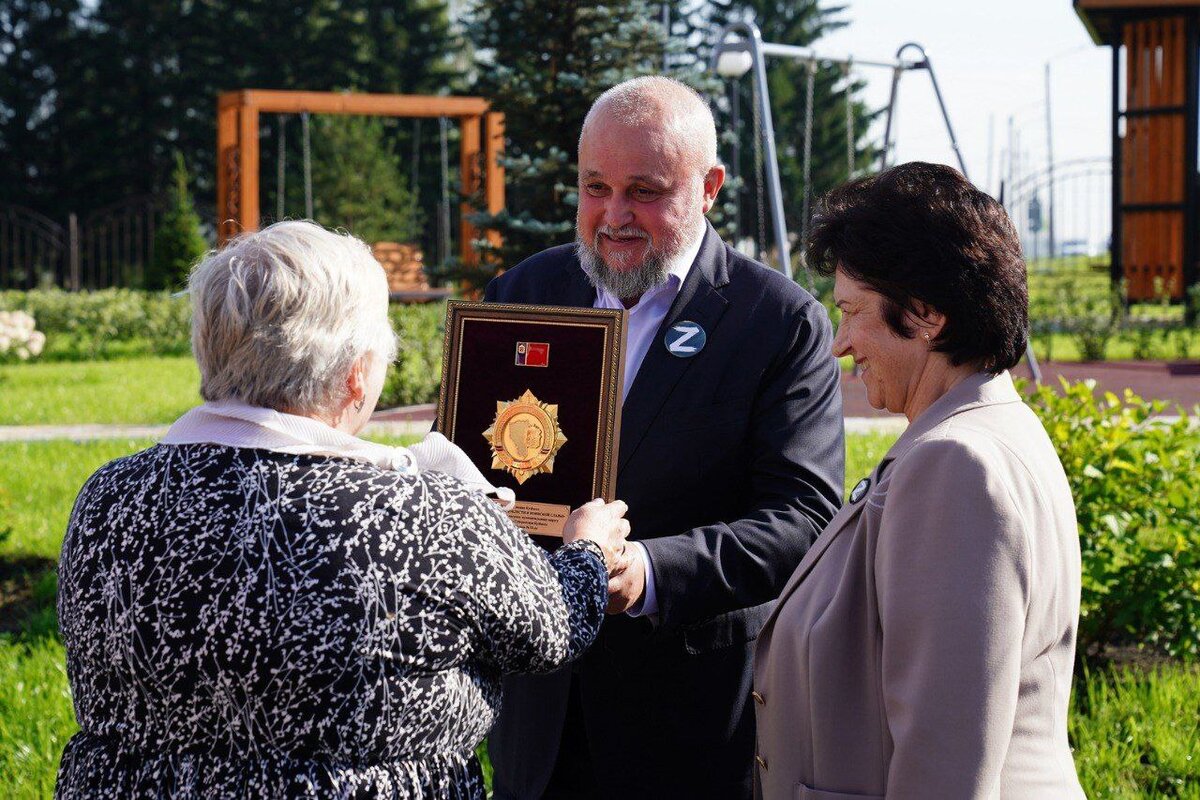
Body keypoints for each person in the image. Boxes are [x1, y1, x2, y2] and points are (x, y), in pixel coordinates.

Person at [54, 221, 631, 799]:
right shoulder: (424, 515)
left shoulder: (108, 497)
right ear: (356, 374)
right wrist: (587, 548)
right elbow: (551, 628)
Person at [484, 76, 845, 799]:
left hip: (689, 733)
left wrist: (648, 573)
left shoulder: (776, 322)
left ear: (709, 186)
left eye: (644, 191)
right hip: (536, 728)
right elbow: (463, 469)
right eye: (595, 188)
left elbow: (804, 521)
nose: (614, 216)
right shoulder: (522, 293)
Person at [753, 163, 1085, 799]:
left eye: (851, 312)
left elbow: (944, 764)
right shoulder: (991, 425)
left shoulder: (953, 466)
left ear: (926, 313)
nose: (840, 343)